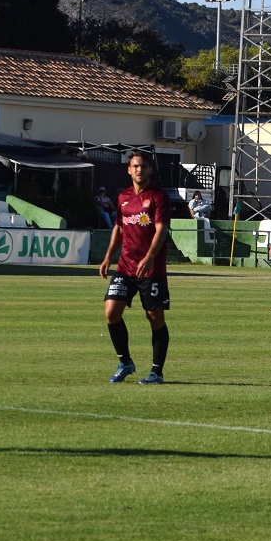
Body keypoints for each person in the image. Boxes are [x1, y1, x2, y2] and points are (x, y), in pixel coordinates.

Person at [98, 151, 171, 385]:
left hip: (152, 269)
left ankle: (156, 372)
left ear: (150, 169)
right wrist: (108, 256)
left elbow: (161, 230)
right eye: (135, 166)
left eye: (144, 166)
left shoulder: (158, 196)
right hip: (126, 266)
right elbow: (119, 228)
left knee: (154, 316)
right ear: (129, 170)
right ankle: (125, 362)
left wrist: (150, 257)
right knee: (111, 312)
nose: (140, 170)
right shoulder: (123, 197)